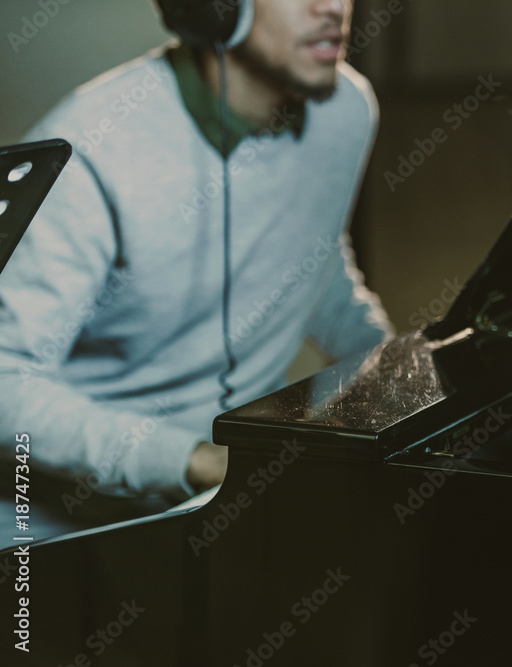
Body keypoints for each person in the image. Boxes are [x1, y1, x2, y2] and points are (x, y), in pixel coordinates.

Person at [0, 0, 392, 503]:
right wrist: (199, 461)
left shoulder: (348, 108)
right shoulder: (93, 145)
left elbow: (316, 265)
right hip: (80, 517)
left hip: (245, 484)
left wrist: (398, 375)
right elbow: (7, 383)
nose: (332, 7)